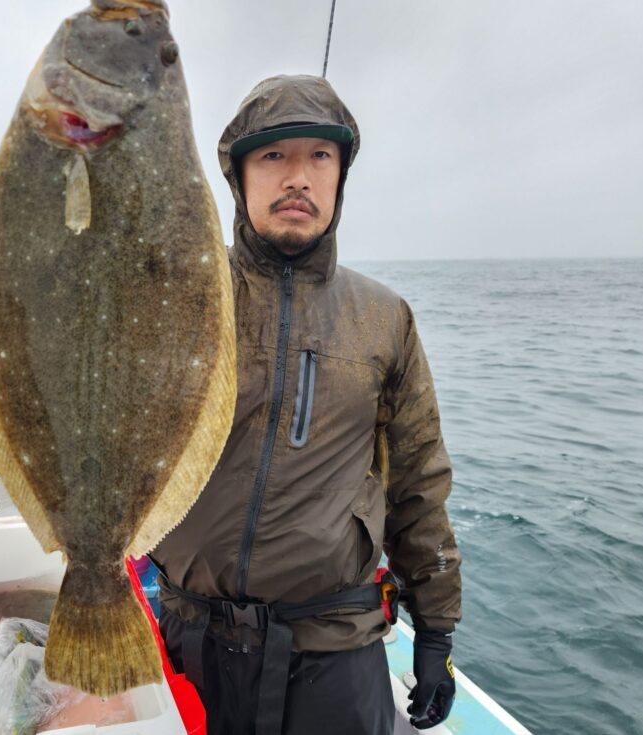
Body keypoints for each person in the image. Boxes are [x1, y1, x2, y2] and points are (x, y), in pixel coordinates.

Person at [149, 74, 462, 735]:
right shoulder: (175, 299)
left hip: (332, 650)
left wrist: (434, 629)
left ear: (341, 173)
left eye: (320, 155)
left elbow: (418, 481)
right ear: (238, 176)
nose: (299, 177)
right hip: (187, 639)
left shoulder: (385, 318)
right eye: (274, 156)